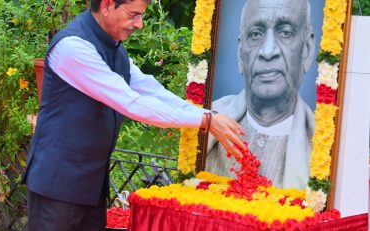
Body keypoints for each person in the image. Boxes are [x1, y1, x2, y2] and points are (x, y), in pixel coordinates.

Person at [21, 0, 246, 230]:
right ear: (108, 5)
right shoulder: (73, 47)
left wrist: (209, 115)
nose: (138, 24)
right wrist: (205, 121)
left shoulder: (115, 49)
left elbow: (152, 90)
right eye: (133, 15)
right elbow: (132, 103)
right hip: (57, 187)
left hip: (89, 187)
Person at [206, 0, 315, 190]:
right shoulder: (209, 117)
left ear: (307, 50)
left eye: (285, 32)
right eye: (256, 34)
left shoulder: (325, 144)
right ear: (241, 54)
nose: (268, 51)